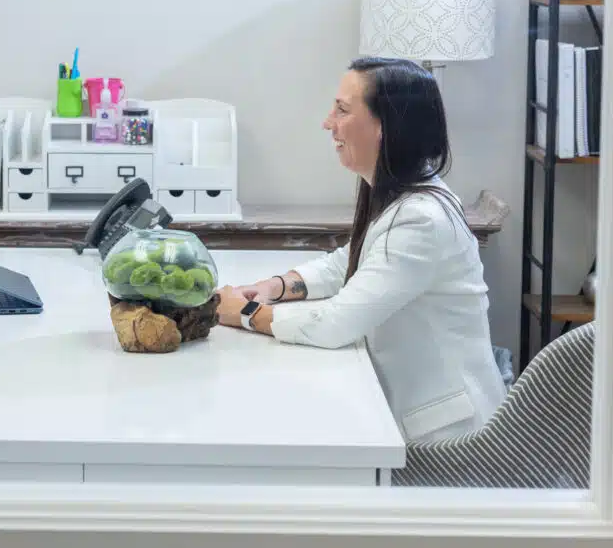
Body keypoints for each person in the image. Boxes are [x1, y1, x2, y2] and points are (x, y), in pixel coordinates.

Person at [216, 57, 507, 443]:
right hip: (418, 417)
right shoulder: (406, 194)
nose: (327, 122)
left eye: (342, 110)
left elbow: (337, 323)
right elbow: (349, 263)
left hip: (448, 441)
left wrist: (247, 313)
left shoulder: (422, 219)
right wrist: (277, 286)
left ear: (384, 128)